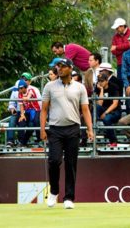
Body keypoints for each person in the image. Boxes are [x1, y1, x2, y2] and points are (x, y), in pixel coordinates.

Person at [40, 58, 93, 209]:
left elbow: (85, 110)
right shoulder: (49, 86)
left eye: (62, 66)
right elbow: (44, 109)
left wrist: (89, 129)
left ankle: (69, 198)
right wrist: (42, 129)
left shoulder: (79, 87)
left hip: (73, 129)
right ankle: (54, 191)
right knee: (54, 161)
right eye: (57, 66)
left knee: (71, 164)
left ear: (70, 68)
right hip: (55, 129)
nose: (59, 69)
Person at [95, 73, 122, 147]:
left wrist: (105, 113)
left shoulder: (114, 87)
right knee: (96, 108)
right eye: (99, 81)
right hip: (103, 109)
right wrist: (101, 90)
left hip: (115, 111)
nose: (100, 83)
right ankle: (94, 129)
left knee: (106, 119)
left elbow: (115, 104)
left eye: (102, 81)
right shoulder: (98, 88)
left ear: (107, 81)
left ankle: (113, 141)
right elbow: (99, 104)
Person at [18, 79, 41, 146]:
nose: (20, 90)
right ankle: (21, 141)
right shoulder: (19, 93)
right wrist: (22, 115)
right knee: (21, 121)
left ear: (25, 87)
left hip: (35, 109)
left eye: (21, 88)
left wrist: (25, 97)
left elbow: (28, 97)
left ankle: (39, 139)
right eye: (19, 88)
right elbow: (21, 105)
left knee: (35, 122)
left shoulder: (30, 90)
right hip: (27, 110)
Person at [6, 80, 22, 147]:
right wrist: (12, 109)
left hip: (26, 111)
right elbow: (11, 103)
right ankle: (10, 141)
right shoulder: (15, 91)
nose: (17, 90)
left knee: (22, 121)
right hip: (17, 111)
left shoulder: (29, 90)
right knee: (12, 120)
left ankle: (21, 141)